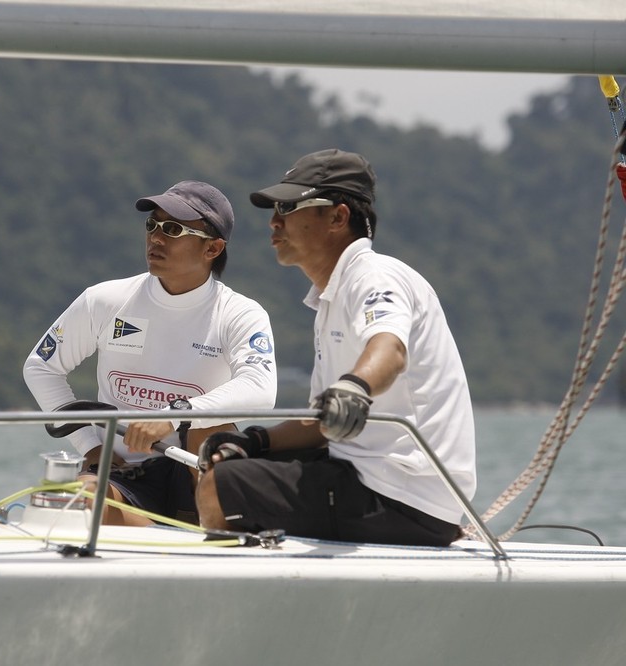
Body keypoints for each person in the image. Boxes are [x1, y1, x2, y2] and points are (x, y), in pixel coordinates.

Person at [195, 149, 476, 547]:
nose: (274, 221)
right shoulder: (332, 297)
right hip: (368, 480)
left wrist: (355, 387)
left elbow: (389, 348)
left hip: (401, 496)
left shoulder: (374, 276)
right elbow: (320, 426)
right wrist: (254, 440)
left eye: (289, 207)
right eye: (274, 208)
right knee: (231, 459)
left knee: (221, 484)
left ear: (339, 217)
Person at [23, 180, 277, 525]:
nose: (156, 238)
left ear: (213, 249)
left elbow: (261, 390)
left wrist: (173, 415)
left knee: (209, 432)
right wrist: (91, 447)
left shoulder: (240, 313)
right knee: (79, 501)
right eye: (152, 225)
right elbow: (41, 368)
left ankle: (217, 541)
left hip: (196, 470)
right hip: (125, 474)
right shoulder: (104, 300)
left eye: (173, 229)